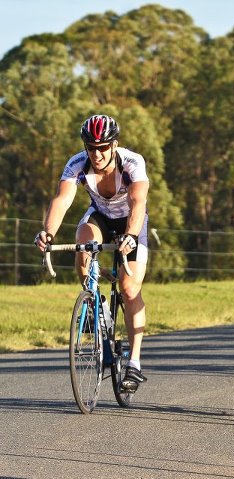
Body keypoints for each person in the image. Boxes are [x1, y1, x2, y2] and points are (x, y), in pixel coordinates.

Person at [34, 114, 150, 392]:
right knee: (83, 243)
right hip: (99, 216)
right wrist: (47, 232)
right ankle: (94, 304)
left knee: (129, 288)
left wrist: (131, 236)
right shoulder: (77, 163)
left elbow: (138, 202)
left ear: (114, 145)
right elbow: (62, 200)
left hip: (131, 222)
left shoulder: (132, 162)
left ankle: (134, 362)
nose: (96, 154)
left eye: (103, 147)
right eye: (91, 147)